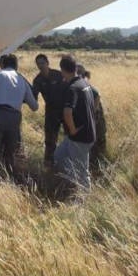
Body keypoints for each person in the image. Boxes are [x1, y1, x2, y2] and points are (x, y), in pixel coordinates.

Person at [0, 53, 38, 179]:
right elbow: (34, 106)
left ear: (3, 64)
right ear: (16, 65)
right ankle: (9, 177)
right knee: (11, 151)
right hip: (14, 118)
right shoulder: (21, 79)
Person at [53, 55, 96, 199]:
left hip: (80, 137)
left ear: (62, 70)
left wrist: (72, 129)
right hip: (82, 134)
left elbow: (67, 112)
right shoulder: (85, 84)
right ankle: (72, 182)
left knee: (82, 171)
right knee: (58, 156)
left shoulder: (73, 88)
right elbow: (96, 99)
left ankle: (83, 201)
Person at [31, 54, 66, 168]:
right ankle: (49, 165)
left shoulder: (58, 75)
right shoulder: (37, 80)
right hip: (51, 112)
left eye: (42, 63)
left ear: (47, 63)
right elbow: (33, 98)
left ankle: (67, 163)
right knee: (50, 141)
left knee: (70, 137)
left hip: (64, 110)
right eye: (38, 64)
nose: (40, 66)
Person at [77, 64, 106, 175]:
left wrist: (93, 110)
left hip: (96, 124)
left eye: (79, 72)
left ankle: (98, 172)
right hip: (91, 125)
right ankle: (95, 172)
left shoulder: (85, 86)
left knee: (97, 149)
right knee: (92, 152)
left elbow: (97, 94)